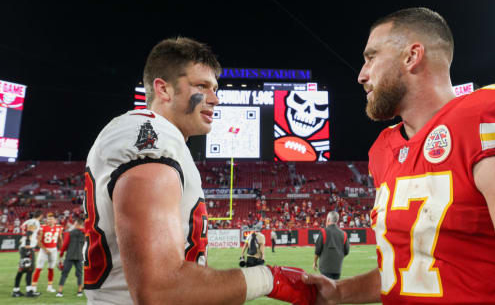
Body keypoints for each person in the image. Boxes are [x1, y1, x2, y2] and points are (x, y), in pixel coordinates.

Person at [303, 7, 495, 304]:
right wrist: (340, 292)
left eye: (371, 57)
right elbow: (411, 271)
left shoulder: (488, 125)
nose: (361, 75)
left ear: (411, 56)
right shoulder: (384, 150)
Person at [83, 37, 315, 305]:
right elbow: (159, 289)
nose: (215, 99)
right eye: (202, 86)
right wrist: (269, 279)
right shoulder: (151, 135)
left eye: (215, 88)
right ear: (163, 90)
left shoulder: (170, 144)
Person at [313, 211, 349, 280]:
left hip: (325, 267)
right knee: (335, 288)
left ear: (328, 219)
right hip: (337, 268)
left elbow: (317, 250)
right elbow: (346, 251)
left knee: (327, 289)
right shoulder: (343, 234)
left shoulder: (323, 232)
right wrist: (338, 256)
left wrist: (315, 262)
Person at [33, 213, 63, 293]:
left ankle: (49, 287)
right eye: (48, 219)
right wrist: (45, 249)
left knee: (51, 268)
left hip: (53, 250)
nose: (50, 220)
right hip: (43, 250)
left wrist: (61, 250)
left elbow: (60, 240)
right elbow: (38, 241)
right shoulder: (42, 227)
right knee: (39, 268)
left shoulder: (59, 228)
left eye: (51, 219)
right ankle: (33, 287)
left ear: (55, 220)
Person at [56, 218, 86, 297]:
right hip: (80, 256)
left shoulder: (70, 233)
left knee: (64, 274)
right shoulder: (85, 233)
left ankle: (60, 291)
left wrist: (61, 254)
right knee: (79, 274)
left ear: (76, 224)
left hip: (70, 255)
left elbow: (65, 245)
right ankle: (79, 291)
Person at [12, 231, 38, 297]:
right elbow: (27, 248)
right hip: (27, 259)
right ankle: (28, 291)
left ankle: (16, 290)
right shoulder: (28, 239)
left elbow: (21, 246)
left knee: (19, 274)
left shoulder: (23, 239)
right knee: (29, 273)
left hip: (23, 258)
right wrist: (28, 261)